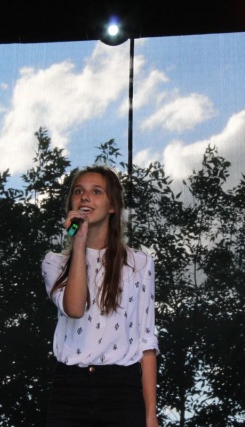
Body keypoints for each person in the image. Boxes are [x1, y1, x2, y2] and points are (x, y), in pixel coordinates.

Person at [42, 165, 159, 427]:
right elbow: (74, 308)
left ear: (112, 206)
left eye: (96, 192)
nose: (85, 197)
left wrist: (151, 416)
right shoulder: (54, 263)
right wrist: (78, 240)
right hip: (69, 389)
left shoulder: (139, 263)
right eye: (78, 191)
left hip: (122, 390)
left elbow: (146, 341)